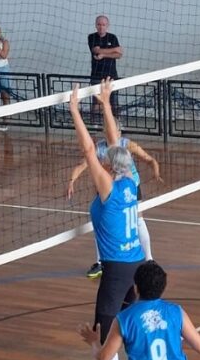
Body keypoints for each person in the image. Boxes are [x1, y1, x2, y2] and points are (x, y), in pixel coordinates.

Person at [69, 82, 146, 360]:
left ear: (110, 168)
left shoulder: (110, 190)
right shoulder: (130, 182)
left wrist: (74, 109)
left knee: (104, 328)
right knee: (128, 324)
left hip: (116, 270)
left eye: (104, 162)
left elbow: (89, 149)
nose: (99, 162)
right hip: (135, 265)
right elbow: (115, 144)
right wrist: (105, 104)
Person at [67, 79, 161, 280]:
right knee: (107, 225)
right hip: (119, 189)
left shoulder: (121, 147)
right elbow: (92, 154)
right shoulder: (121, 171)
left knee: (134, 221)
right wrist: (72, 180)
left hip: (119, 191)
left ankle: (149, 257)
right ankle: (103, 261)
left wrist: (75, 110)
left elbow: (93, 149)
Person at [88, 14, 123, 116]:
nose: (101, 27)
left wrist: (103, 54)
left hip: (111, 75)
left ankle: (115, 125)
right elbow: (96, 50)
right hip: (96, 75)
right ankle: (94, 125)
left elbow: (119, 55)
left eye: (103, 24)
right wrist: (114, 49)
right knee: (96, 102)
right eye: (99, 24)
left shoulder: (112, 37)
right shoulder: (92, 37)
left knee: (113, 103)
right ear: (95, 25)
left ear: (107, 25)